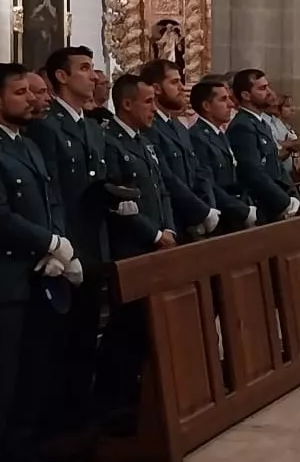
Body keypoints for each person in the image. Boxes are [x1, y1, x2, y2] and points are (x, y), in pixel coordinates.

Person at [0, 63, 82, 462]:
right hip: (2, 282)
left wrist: (59, 245)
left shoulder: (26, 144)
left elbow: (52, 199)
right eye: (21, 93)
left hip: (37, 277)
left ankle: (22, 448)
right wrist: (48, 242)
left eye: (32, 92)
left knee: (33, 375)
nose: (32, 99)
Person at [26, 46, 114, 438]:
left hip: (93, 243)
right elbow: (50, 190)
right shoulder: (48, 126)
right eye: (83, 69)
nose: (92, 76)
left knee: (84, 337)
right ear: (60, 77)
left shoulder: (91, 126)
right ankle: (59, 424)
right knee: (60, 343)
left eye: (92, 68)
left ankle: (81, 416)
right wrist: (61, 245)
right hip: (67, 247)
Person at [95, 73, 178, 431]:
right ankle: (116, 405)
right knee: (126, 330)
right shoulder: (109, 142)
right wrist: (155, 233)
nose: (153, 108)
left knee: (146, 327)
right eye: (147, 102)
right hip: (131, 247)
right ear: (126, 103)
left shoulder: (143, 141)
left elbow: (159, 190)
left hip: (157, 244)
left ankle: (138, 399)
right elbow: (118, 200)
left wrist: (169, 228)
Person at [139, 60, 220, 239]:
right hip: (174, 222)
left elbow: (199, 170)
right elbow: (167, 178)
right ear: (157, 88)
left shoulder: (179, 127)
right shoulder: (150, 128)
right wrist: (199, 212)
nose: (182, 87)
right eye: (174, 82)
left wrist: (208, 208)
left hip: (196, 220)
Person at [227, 69, 300, 222]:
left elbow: (276, 163)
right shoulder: (242, 126)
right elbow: (252, 172)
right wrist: (283, 202)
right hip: (262, 205)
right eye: (262, 88)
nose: (269, 92)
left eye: (268, 86)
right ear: (245, 95)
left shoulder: (262, 124)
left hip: (274, 204)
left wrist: (293, 194)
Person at [188, 77, 255, 233]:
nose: (231, 104)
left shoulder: (218, 134)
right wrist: (241, 210)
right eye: (223, 99)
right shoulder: (198, 137)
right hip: (221, 217)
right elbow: (209, 184)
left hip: (234, 213)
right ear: (206, 106)